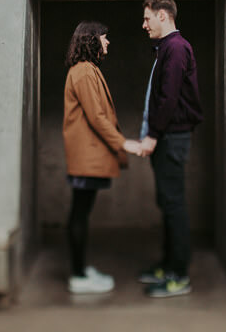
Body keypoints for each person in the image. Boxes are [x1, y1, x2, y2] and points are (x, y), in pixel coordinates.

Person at [62, 21, 143, 294]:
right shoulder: (84, 71)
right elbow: (96, 117)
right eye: (105, 38)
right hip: (86, 155)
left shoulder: (86, 69)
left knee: (81, 213)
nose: (108, 43)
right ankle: (78, 276)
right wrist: (123, 143)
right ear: (92, 40)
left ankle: (81, 270)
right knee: (80, 214)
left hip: (87, 155)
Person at [137, 0, 204, 298]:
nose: (144, 24)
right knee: (167, 202)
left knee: (174, 205)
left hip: (171, 137)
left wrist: (153, 134)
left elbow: (169, 97)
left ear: (163, 16)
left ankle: (179, 275)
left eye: (148, 18)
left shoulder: (175, 48)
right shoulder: (167, 48)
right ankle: (168, 265)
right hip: (168, 136)